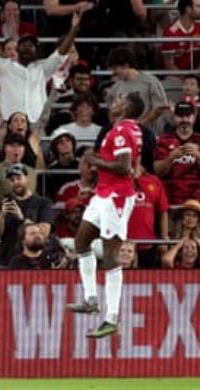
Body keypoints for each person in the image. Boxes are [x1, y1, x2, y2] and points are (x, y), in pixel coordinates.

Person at [65, 96, 143, 339]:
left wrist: (94, 161)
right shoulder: (127, 129)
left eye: (120, 99)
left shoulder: (122, 130)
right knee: (81, 242)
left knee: (111, 254)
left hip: (116, 197)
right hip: (103, 194)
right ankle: (90, 299)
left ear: (126, 108)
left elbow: (123, 167)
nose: (114, 101)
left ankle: (111, 318)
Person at [0, 9, 83, 123]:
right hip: (10, 124)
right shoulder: (4, 66)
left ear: (36, 50)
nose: (27, 48)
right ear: (18, 49)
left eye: (31, 46)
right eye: (24, 45)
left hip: (37, 125)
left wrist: (74, 28)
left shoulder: (43, 68)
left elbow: (62, 52)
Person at [154, 101, 200, 205]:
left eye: (188, 116)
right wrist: (171, 157)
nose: (184, 120)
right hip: (171, 199)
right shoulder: (163, 141)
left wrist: (198, 156)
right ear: (174, 117)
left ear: (194, 117)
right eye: (180, 116)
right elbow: (156, 172)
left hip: (199, 200)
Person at [0, 164, 55, 269]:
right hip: (6, 261)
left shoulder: (42, 203)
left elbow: (45, 232)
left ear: (27, 178)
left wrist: (22, 218)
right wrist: (2, 215)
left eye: (18, 178)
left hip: (32, 262)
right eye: (12, 180)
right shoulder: (6, 203)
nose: (16, 182)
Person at [105, 46, 168, 128]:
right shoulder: (115, 88)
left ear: (125, 65)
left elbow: (159, 108)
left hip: (148, 132)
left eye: (115, 68)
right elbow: (111, 112)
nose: (114, 72)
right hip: (124, 133)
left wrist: (140, 124)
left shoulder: (150, 81)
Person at [127, 167, 170, 268]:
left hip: (148, 244)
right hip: (124, 245)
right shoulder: (118, 180)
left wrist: (164, 238)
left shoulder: (154, 181)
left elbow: (163, 211)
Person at [162, 0, 200, 72]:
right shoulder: (170, 32)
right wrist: (184, 79)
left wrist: (197, 73)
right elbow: (169, 64)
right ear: (188, 9)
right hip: (175, 76)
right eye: (198, 6)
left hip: (198, 74)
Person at [45, 127, 79, 200]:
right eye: (61, 142)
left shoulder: (81, 166)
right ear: (55, 147)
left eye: (68, 140)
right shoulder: (50, 172)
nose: (65, 144)